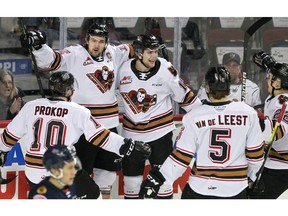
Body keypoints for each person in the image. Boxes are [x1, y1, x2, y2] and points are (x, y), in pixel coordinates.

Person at [19, 23, 134, 199]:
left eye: (101, 41)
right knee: (82, 177)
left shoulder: (114, 52)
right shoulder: (74, 53)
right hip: (83, 130)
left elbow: (134, 49)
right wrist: (38, 46)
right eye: (93, 40)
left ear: (106, 42)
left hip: (109, 127)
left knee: (107, 175)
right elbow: (51, 60)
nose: (96, 45)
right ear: (87, 39)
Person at [0, 71, 150, 199]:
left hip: (33, 170)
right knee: (94, 195)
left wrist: (2, 151)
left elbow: (9, 136)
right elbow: (100, 137)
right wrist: (128, 145)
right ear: (70, 91)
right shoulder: (78, 111)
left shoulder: (31, 106)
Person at [139, 66, 265, 199]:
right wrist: (254, 178)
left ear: (207, 88)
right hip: (235, 188)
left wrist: (158, 179)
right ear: (228, 87)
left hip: (200, 187)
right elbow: (255, 156)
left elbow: (181, 157)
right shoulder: (248, 113)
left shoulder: (195, 116)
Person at [117, 33, 199, 199]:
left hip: (160, 136)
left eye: (155, 51)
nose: (154, 55)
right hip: (131, 138)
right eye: (149, 52)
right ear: (139, 53)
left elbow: (185, 97)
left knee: (164, 184)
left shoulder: (166, 69)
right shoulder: (122, 69)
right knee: (131, 186)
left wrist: (205, 115)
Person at [251, 51, 288, 199]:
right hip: (274, 164)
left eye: (270, 78)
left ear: (277, 83)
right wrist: (272, 66)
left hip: (280, 168)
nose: (266, 80)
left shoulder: (283, 103)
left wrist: (251, 122)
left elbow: (277, 132)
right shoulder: (278, 97)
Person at [197, 52, 262, 108]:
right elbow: (199, 108)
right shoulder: (209, 86)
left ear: (240, 68)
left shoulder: (252, 88)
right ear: (222, 67)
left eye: (235, 65)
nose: (231, 68)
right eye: (228, 65)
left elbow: (258, 113)